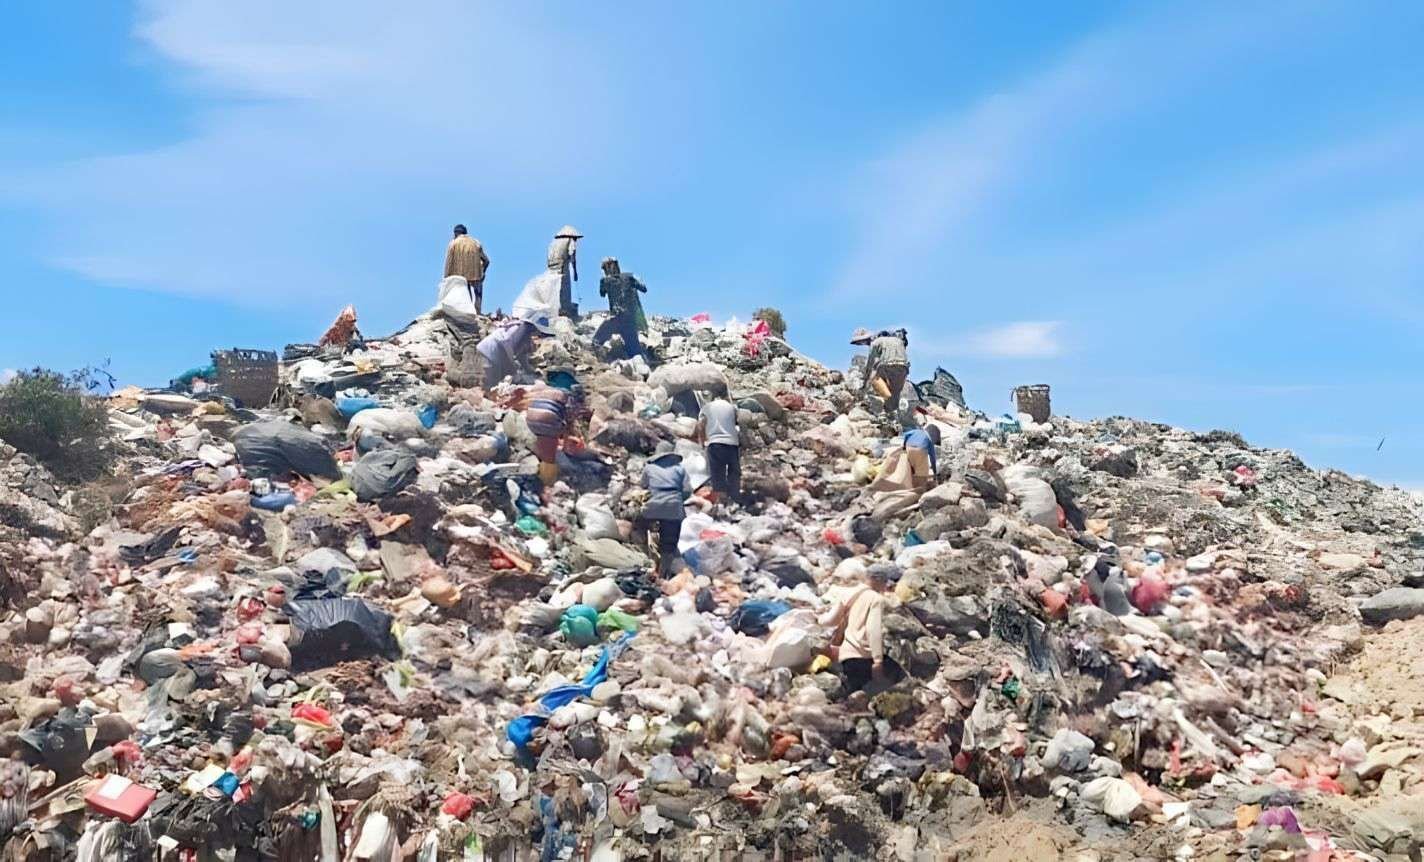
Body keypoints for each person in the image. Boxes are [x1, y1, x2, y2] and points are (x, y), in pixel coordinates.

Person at [819, 563, 903, 697]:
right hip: (865, 658)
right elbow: (873, 630)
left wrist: (818, 618)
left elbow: (830, 621)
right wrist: (878, 661)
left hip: (846, 657)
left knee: (852, 697)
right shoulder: (876, 599)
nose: (885, 586)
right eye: (885, 582)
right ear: (878, 580)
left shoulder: (848, 593)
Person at [525, 369, 587, 485]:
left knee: (544, 444)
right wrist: (568, 441)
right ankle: (548, 482)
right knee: (550, 457)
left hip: (530, 417)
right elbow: (569, 421)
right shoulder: (572, 400)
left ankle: (540, 472)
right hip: (548, 418)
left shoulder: (551, 390)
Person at [639, 441, 690, 577]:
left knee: (639, 526)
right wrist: (678, 499)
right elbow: (687, 490)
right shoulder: (680, 469)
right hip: (674, 509)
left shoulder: (649, 468)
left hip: (652, 508)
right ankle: (663, 575)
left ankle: (645, 563)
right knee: (669, 544)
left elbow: (643, 486)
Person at [473, 313, 553, 390]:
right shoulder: (519, 329)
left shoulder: (526, 335)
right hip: (489, 351)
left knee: (496, 383)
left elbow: (522, 355)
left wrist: (529, 370)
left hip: (494, 352)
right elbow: (506, 348)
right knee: (490, 385)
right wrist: (513, 371)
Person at [593, 257, 649, 360]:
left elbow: (602, 293)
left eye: (604, 269)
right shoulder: (629, 277)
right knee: (635, 352)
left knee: (596, 342)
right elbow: (644, 288)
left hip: (616, 319)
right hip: (630, 321)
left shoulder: (605, 281)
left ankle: (600, 361)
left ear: (608, 268)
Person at [696, 385, 741, 501]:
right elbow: (737, 423)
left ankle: (721, 502)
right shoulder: (732, 407)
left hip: (715, 443)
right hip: (732, 443)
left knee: (718, 473)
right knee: (734, 472)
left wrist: (702, 443)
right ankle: (735, 498)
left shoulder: (707, 407)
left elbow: (700, 426)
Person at [443, 225, 491, 314]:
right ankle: (478, 312)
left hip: (461, 277)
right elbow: (487, 261)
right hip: (477, 276)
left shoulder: (453, 243)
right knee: (478, 293)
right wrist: (482, 272)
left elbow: (448, 263)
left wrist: (446, 278)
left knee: (466, 297)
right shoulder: (476, 242)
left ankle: (469, 314)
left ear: (456, 233)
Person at [862, 329, 910, 416]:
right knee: (895, 392)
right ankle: (894, 414)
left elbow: (870, 363)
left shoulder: (876, 342)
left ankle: (882, 406)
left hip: (887, 366)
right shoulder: (899, 341)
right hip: (903, 369)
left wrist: (865, 383)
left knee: (875, 379)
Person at [547, 225, 582, 319]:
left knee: (554, 290)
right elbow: (572, 255)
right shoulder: (570, 241)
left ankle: (555, 310)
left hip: (551, 268)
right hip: (562, 266)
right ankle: (564, 311)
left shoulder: (553, 242)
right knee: (565, 289)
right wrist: (575, 272)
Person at [900, 423, 941, 489]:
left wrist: (904, 447)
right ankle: (920, 489)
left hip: (908, 448)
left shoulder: (915, 431)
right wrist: (935, 472)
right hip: (920, 450)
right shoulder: (929, 439)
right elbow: (932, 458)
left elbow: (906, 435)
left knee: (912, 469)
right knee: (922, 473)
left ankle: (911, 486)